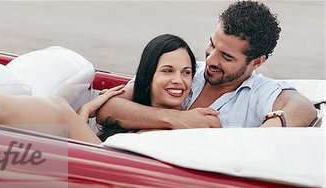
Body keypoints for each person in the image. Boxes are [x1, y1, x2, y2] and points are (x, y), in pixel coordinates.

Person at [0, 24, 212, 144]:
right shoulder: (131, 109)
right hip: (110, 164)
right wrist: (89, 110)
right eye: (168, 71)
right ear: (149, 77)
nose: (179, 80)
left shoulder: (203, 120)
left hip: (133, 179)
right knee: (60, 115)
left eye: (186, 73)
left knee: (61, 111)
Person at [96, 0, 317, 130]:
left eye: (226, 57)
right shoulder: (186, 70)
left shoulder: (258, 93)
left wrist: (270, 131)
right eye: (212, 44)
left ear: (257, 61)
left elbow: (303, 108)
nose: (211, 60)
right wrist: (179, 119)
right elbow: (107, 108)